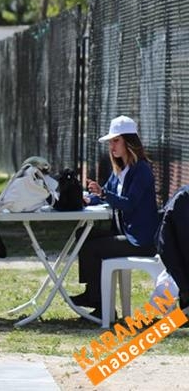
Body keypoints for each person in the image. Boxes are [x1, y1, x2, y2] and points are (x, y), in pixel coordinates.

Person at [70, 115, 159, 316]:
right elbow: (106, 196)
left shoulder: (141, 170)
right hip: (124, 233)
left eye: (116, 140)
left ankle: (100, 304)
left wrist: (102, 193)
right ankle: (95, 297)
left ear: (129, 141)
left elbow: (128, 204)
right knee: (83, 234)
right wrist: (90, 199)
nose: (112, 146)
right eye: (111, 142)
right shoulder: (120, 169)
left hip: (140, 240)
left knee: (93, 247)